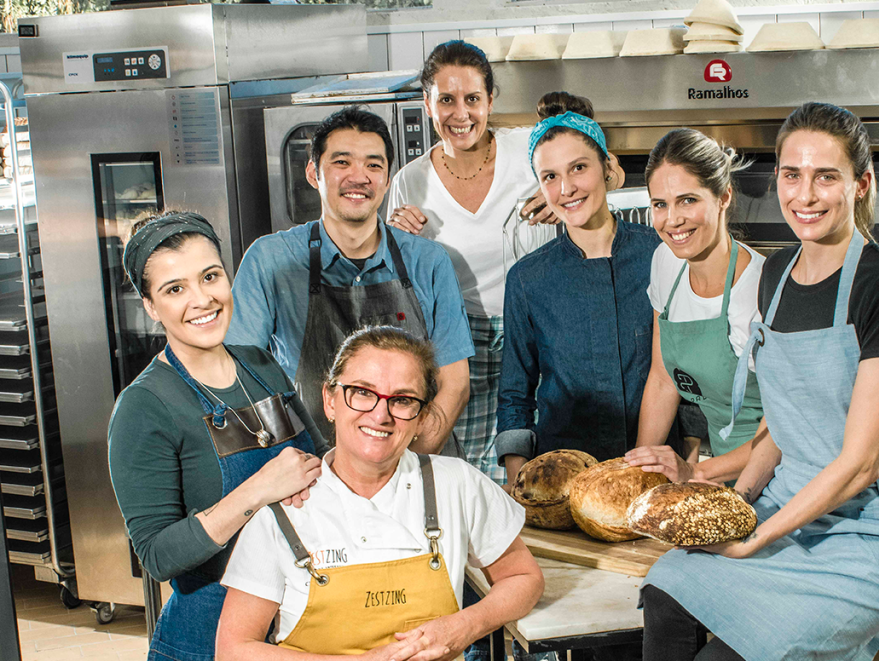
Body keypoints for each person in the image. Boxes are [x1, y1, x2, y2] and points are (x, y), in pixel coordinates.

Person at [639, 103, 879, 661]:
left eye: (825, 176)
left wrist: (757, 537)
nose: (805, 195)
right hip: (787, 496)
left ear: (860, 184)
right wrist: (739, 503)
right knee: (664, 591)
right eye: (791, 175)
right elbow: (782, 419)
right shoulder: (775, 276)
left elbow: (860, 465)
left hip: (869, 525)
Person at [216, 326, 544, 659]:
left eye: (402, 400)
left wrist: (464, 627)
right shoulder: (285, 509)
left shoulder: (456, 483)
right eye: (362, 392)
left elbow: (523, 577)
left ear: (422, 417)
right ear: (330, 400)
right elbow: (233, 650)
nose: (380, 415)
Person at [386, 41, 625, 484]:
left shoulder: (526, 150)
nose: (461, 114)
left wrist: (562, 195)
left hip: (542, 329)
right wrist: (398, 240)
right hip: (460, 346)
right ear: (427, 103)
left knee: (551, 461)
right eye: (446, 100)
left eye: (472, 98)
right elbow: (398, 279)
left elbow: (610, 170)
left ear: (491, 100)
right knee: (473, 475)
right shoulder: (410, 182)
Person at [108, 211, 328, 661]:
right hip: (206, 632)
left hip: (301, 616)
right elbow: (158, 555)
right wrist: (258, 490)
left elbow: (320, 457)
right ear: (150, 307)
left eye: (210, 276)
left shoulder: (260, 364)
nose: (202, 299)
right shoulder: (144, 406)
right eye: (175, 289)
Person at [227, 107, 474, 453]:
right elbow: (239, 381)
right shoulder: (269, 260)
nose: (359, 177)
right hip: (314, 469)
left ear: (387, 179)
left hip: (417, 459)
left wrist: (407, 467)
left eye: (374, 165)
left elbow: (455, 385)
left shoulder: (429, 262)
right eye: (342, 162)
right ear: (313, 173)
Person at [496, 91, 678, 499]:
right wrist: (520, 486)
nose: (566, 188)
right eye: (550, 177)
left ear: (607, 167)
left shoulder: (661, 254)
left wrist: (692, 458)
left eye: (578, 168)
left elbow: (689, 370)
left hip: (658, 474)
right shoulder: (527, 279)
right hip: (563, 485)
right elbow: (514, 396)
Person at [626, 129, 766, 483]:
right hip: (719, 472)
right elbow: (663, 379)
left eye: (688, 200)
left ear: (723, 197)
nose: (672, 220)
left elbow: (788, 427)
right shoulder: (666, 262)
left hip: (780, 472)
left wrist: (695, 471)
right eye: (660, 204)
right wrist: (639, 475)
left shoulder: (759, 292)